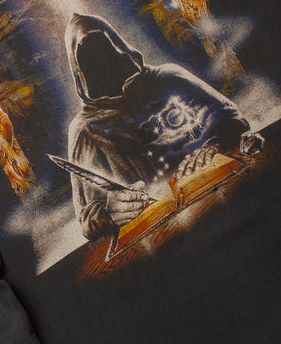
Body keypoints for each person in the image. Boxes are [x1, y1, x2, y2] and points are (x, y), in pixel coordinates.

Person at [65, 13, 262, 240]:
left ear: (118, 45)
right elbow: (87, 220)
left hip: (235, 193)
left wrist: (215, 146)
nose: (103, 65)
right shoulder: (85, 131)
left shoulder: (169, 77)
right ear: (79, 71)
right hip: (169, 237)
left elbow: (233, 117)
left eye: (104, 49)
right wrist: (110, 213)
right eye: (90, 58)